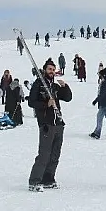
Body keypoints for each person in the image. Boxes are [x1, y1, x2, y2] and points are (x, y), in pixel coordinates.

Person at [28, 60, 72, 192]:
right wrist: (45, 104)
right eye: (49, 69)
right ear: (45, 70)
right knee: (44, 154)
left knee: (55, 154)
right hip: (46, 123)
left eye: (53, 69)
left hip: (58, 123)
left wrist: (65, 87)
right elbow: (31, 102)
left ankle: (48, 178)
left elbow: (68, 98)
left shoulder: (54, 85)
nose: (51, 71)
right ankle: (35, 181)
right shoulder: (39, 84)